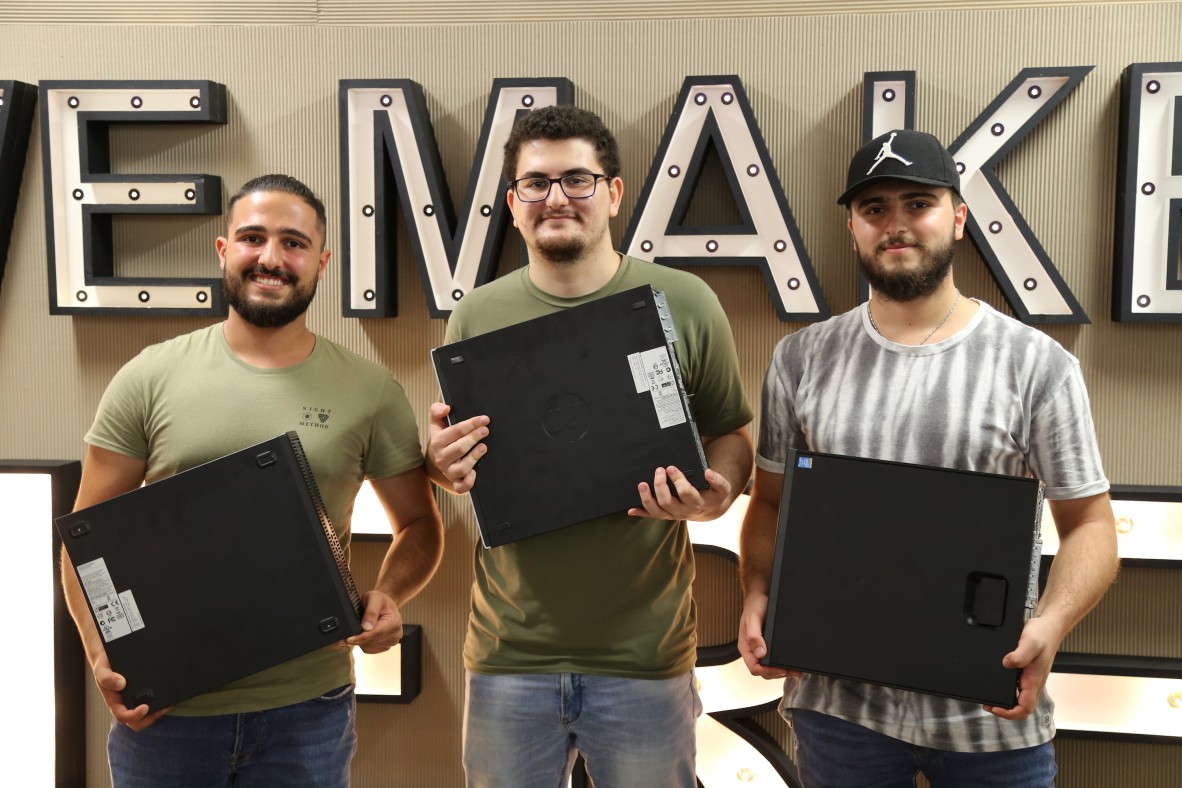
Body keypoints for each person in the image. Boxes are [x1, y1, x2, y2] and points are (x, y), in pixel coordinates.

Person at [738, 130, 1119, 786]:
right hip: (838, 716)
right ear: (853, 226)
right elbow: (770, 504)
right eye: (876, 209)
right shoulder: (800, 359)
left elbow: (1091, 524)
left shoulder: (1035, 365)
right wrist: (754, 595)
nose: (897, 224)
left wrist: (1050, 626)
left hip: (986, 716)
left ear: (958, 218)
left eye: (919, 203)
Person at [60, 174, 445, 788]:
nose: (271, 257)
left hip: (308, 712)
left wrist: (390, 593)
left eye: (293, 243)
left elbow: (421, 525)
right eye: (253, 238)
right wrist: (104, 654)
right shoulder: (149, 377)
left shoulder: (370, 392)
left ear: (320, 263)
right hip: (168, 714)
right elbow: (83, 545)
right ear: (223, 250)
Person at [426, 105, 754, 787]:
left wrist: (713, 495)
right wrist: (446, 465)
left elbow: (729, 432)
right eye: (536, 184)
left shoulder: (684, 302)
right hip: (508, 653)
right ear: (513, 205)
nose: (556, 199)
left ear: (613, 192)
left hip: (644, 655)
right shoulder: (476, 315)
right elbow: (464, 458)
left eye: (577, 179)